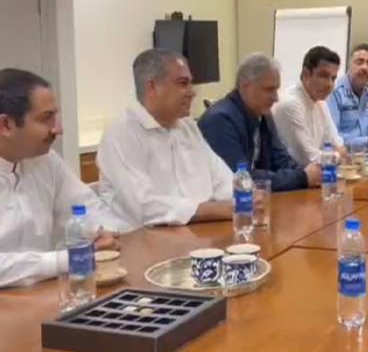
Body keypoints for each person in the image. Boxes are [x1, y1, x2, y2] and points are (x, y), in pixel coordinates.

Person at [0, 69, 119, 288]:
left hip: (40, 295)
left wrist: (100, 232)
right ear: (5, 125)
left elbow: (86, 208)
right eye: (46, 118)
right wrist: (66, 259)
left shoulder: (45, 161)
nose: (58, 129)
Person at [97, 49, 235, 232]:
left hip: (198, 234)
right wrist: (214, 210)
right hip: (142, 242)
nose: (192, 93)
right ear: (152, 88)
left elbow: (224, 182)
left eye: (190, 83)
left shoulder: (188, 128)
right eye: (182, 83)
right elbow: (143, 207)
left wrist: (246, 197)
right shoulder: (121, 133)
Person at [198, 54, 322, 192]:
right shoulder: (219, 120)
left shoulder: (263, 114)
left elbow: (281, 160)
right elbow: (241, 178)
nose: (275, 98)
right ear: (244, 86)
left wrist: (312, 174)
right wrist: (302, 177)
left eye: (276, 89)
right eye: (269, 89)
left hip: (260, 200)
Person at [272, 46, 346, 166]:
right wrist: (337, 156)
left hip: (314, 174)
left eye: (333, 78)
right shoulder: (290, 104)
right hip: (289, 175)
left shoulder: (321, 103)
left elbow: (337, 145)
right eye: (323, 76)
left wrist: (335, 154)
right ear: (306, 74)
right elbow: (309, 159)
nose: (330, 84)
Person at [327, 43, 368, 151]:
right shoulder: (334, 93)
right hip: (344, 157)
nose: (365, 67)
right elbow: (332, 139)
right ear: (349, 66)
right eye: (359, 62)